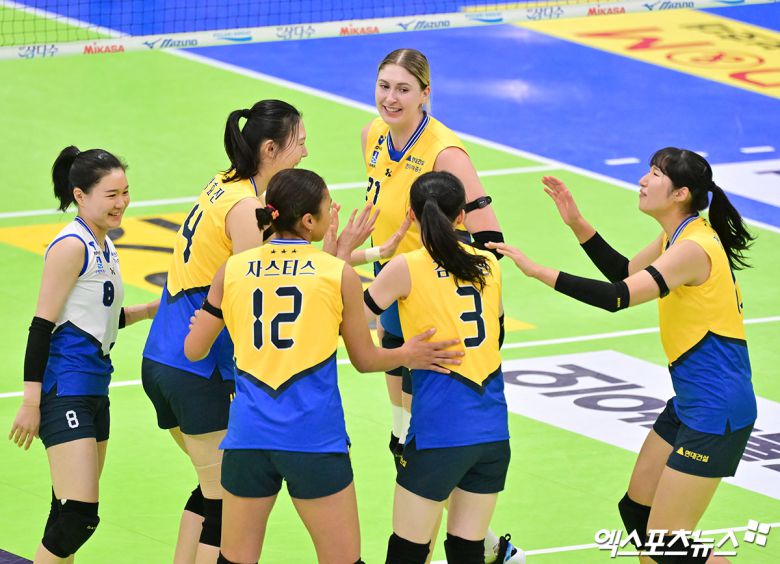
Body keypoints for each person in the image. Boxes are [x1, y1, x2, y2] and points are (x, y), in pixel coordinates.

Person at [183, 168, 463, 564]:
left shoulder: (232, 269)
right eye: (328, 207)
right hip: (313, 439)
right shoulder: (337, 274)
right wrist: (408, 354)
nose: (334, 213)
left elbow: (194, 350)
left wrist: (213, 321)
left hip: (248, 438)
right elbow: (365, 359)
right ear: (308, 221)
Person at [490, 148, 756, 564]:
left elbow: (617, 297)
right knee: (638, 513)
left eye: (655, 174)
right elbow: (626, 273)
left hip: (716, 409)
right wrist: (577, 223)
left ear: (681, 193)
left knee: (669, 543)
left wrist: (538, 271)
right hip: (692, 401)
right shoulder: (678, 235)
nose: (643, 180)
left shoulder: (694, 248)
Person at [361, 48, 517, 563]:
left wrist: (448, 281)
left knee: (426, 446)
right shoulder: (372, 135)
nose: (391, 98)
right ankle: (478, 543)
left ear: (426, 93)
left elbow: (488, 239)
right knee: (402, 439)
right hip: (391, 292)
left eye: (403, 89)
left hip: (427, 304)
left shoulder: (448, 154)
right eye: (384, 86)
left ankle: (481, 545)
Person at [141, 100, 310, 564]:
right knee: (226, 503)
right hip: (197, 369)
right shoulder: (247, 208)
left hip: (163, 359)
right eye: (299, 143)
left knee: (210, 489)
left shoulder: (224, 183)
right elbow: (252, 295)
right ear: (271, 149)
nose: (305, 152)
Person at [8, 146, 157, 563]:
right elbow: (42, 325)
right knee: (79, 518)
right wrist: (31, 402)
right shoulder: (71, 246)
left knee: (65, 512)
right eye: (111, 195)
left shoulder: (104, 244)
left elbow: (94, 319)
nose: (122, 203)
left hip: (95, 390)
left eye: (125, 192)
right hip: (66, 390)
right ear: (80, 195)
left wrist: (148, 311)